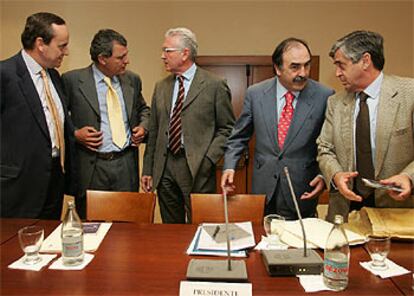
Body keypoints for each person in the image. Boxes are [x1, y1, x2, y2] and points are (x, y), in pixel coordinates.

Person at [221, 38, 334, 220]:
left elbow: (331, 144)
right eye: (295, 67)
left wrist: (323, 175)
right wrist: (229, 166)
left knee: (298, 244)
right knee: (263, 239)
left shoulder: (325, 96)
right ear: (278, 68)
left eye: (307, 65)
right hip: (263, 187)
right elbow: (239, 136)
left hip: (302, 189)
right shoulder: (256, 93)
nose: (303, 73)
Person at [317, 30, 413, 221]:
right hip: (345, 211)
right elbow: (325, 149)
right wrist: (335, 175)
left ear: (365, 61)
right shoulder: (335, 103)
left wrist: (408, 177)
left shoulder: (409, 94)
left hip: (397, 211)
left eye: (341, 66)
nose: (337, 74)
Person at [141, 27, 235, 223]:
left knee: (200, 224)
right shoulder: (162, 86)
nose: (162, 56)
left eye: (167, 51)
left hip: (196, 167)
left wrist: (208, 159)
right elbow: (155, 130)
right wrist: (148, 169)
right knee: (170, 229)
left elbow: (226, 128)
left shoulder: (214, 85)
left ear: (185, 53)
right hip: (164, 166)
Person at [62, 29, 150, 218]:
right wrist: (75, 134)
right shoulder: (72, 81)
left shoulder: (132, 80)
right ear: (103, 58)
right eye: (121, 57)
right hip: (91, 167)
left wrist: (143, 126)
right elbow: (58, 118)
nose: (127, 61)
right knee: (91, 226)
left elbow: (144, 109)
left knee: (128, 225)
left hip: (125, 164)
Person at [1, 12, 76, 219]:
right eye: (62, 46)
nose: (66, 52)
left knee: (48, 241)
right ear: (40, 43)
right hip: (17, 187)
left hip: (53, 180)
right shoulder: (5, 75)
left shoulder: (53, 75)